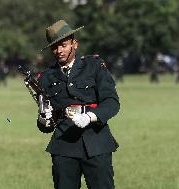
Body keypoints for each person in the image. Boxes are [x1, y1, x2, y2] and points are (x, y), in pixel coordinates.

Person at [37, 20, 120, 189]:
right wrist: (43, 119)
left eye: (64, 45)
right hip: (63, 146)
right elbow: (47, 125)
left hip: (96, 142)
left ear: (75, 44)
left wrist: (90, 116)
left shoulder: (94, 66)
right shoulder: (45, 78)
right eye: (55, 47)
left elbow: (112, 102)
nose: (59, 50)